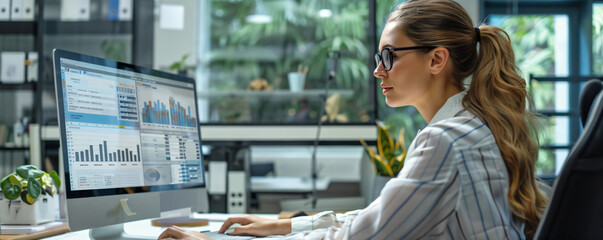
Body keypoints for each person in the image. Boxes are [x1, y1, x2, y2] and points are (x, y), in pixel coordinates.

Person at [158, 0, 548, 239]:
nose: (378, 71)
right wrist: (283, 226)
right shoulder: (473, 126)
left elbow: (362, 236)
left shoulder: (445, 141)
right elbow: (381, 216)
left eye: (389, 56)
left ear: (436, 59)